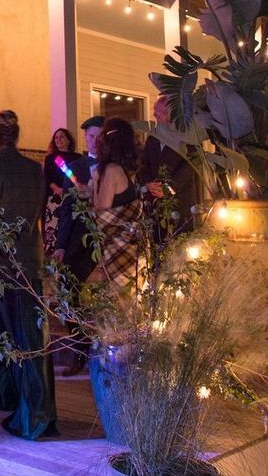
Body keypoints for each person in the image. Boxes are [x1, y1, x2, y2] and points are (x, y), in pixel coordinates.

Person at [0, 110, 58, 439]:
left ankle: (10, 399)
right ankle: (32, 408)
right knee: (30, 336)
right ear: (17, 138)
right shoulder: (34, 168)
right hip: (28, 260)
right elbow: (33, 212)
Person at [51, 115, 103, 376]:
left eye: (99, 136)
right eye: (90, 136)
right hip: (77, 239)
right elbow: (66, 209)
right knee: (66, 289)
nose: (94, 141)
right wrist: (60, 246)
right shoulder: (76, 167)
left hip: (107, 240)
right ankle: (80, 345)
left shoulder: (117, 167)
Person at [91, 117, 144, 291]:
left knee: (116, 307)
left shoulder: (112, 170)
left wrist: (96, 181)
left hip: (117, 252)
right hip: (131, 250)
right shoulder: (125, 172)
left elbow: (102, 215)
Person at [138, 94, 198, 239]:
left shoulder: (187, 136)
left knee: (179, 245)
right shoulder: (153, 137)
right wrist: (148, 183)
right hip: (155, 204)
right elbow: (144, 164)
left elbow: (190, 166)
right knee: (158, 245)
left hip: (179, 203)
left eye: (160, 113)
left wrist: (169, 188)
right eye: (155, 112)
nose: (155, 115)